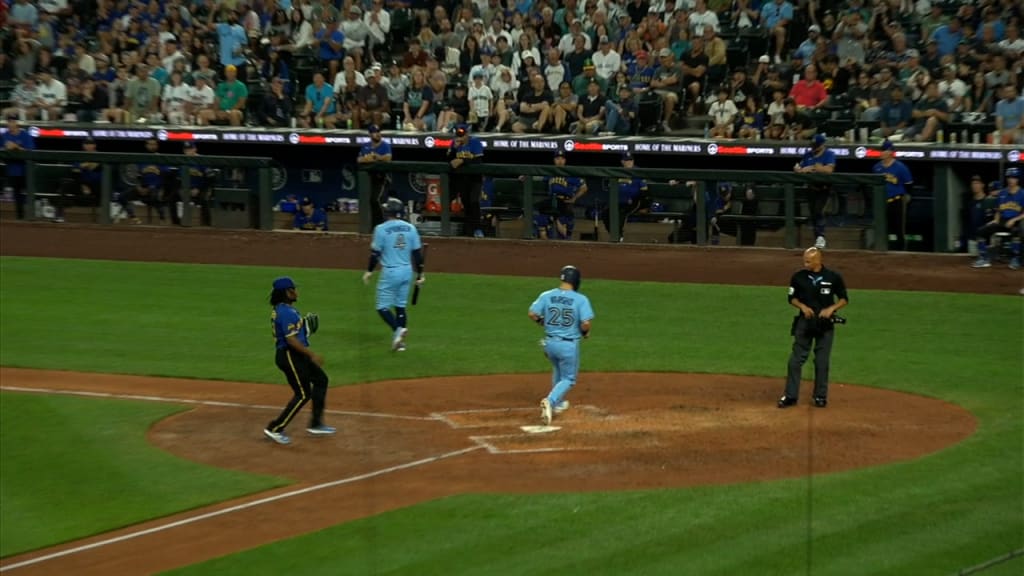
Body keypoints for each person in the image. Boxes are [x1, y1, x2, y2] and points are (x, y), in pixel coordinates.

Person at [264, 276, 335, 445]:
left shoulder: (285, 309)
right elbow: (291, 340)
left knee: (321, 380)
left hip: (296, 354)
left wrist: (305, 329)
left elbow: (295, 334)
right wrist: (312, 354)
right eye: (292, 289)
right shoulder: (286, 312)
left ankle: (316, 424)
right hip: (289, 355)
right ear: (285, 293)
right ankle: (275, 428)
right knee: (303, 394)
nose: (296, 292)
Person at [778, 247, 849, 409]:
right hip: (805, 322)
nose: (805, 263)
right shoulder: (798, 277)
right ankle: (790, 396)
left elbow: (844, 299)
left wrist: (831, 309)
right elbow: (791, 298)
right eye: (804, 260)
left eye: (808, 261)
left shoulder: (833, 277)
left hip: (825, 323)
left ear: (818, 260)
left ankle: (820, 396)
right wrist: (802, 306)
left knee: (822, 361)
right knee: (796, 360)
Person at [528, 265, 595, 425]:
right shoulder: (580, 299)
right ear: (576, 281)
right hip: (568, 346)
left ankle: (558, 403)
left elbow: (532, 313)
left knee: (557, 370)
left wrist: (542, 322)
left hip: (549, 344)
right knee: (569, 378)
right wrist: (585, 333)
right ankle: (550, 402)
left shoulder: (547, 295)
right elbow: (585, 323)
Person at [363, 198, 425, 351]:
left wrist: (369, 271)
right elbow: (417, 254)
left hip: (391, 271)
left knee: (382, 307)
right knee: (400, 306)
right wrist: (421, 274)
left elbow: (375, 254)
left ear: (387, 212)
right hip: (406, 271)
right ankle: (400, 344)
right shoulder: (411, 228)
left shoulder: (381, 229)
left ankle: (398, 329)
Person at [529, 150, 588, 240]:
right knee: (534, 210)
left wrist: (574, 198)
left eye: (562, 158)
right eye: (557, 158)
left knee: (564, 232)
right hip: (551, 201)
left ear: (565, 160)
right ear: (554, 160)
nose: (560, 161)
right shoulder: (550, 173)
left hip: (564, 201)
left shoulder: (570, 173)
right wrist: (526, 177)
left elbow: (584, 187)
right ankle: (542, 234)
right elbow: (537, 177)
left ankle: (555, 224)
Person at [972, 168, 1023, 270]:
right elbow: (999, 211)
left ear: (1017, 179)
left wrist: (1014, 220)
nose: (1010, 180)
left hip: (1016, 221)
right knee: (981, 231)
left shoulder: (1022, 193)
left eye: (1013, 177)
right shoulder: (1002, 193)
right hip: (1002, 220)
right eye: (1009, 177)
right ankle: (983, 258)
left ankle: (1016, 259)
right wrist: (995, 220)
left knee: (1017, 231)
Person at [794, 133, 837, 249]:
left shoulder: (829, 154)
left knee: (819, 211)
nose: (814, 148)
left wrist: (815, 168)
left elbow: (829, 169)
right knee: (813, 214)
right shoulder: (808, 154)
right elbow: (799, 167)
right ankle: (818, 239)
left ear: (822, 145)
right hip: (811, 188)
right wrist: (799, 169)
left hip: (824, 189)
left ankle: (821, 237)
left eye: (816, 145)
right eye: (813, 145)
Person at [871, 140, 914, 251]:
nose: (882, 153)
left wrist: (907, 195)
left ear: (890, 152)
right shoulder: (877, 167)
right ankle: (883, 250)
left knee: (899, 228)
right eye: (882, 150)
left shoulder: (900, 167)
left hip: (897, 201)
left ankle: (901, 250)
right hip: (881, 202)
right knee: (882, 227)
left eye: (884, 150)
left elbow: (909, 183)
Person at [447, 123, 485, 237]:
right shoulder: (454, 144)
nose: (460, 137)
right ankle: (469, 231)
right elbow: (448, 160)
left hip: (474, 178)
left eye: (462, 134)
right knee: (466, 203)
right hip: (461, 179)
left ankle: (478, 229)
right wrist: (454, 150)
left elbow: (478, 161)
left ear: (467, 133)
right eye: (458, 134)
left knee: (474, 202)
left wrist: (463, 161)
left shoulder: (475, 142)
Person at [602, 152, 651, 242]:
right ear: (622, 162)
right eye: (626, 160)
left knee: (621, 213)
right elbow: (610, 187)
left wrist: (644, 205)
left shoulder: (638, 172)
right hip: (618, 201)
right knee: (605, 213)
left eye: (630, 160)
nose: (629, 162)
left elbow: (644, 191)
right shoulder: (617, 172)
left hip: (633, 201)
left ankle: (618, 236)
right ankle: (614, 234)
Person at [55, 137, 102, 223]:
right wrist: (83, 184)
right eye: (87, 144)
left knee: (103, 187)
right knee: (64, 187)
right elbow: (74, 171)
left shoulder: (101, 156)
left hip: (96, 186)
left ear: (95, 145)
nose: (89, 146)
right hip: (81, 184)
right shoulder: (79, 155)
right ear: (83, 145)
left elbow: (100, 174)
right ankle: (59, 216)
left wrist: (85, 166)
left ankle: (103, 219)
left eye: (91, 144)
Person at [356, 124, 393, 227]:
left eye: (378, 132)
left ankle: (381, 225)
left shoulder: (385, 145)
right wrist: (366, 159)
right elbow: (359, 159)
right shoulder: (365, 146)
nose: (377, 134)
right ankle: (373, 225)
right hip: (369, 179)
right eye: (375, 132)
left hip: (382, 178)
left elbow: (388, 158)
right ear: (370, 134)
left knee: (376, 200)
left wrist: (377, 157)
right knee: (369, 201)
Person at [2, 114, 34, 220]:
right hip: (12, 170)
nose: (11, 124)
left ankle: (31, 217)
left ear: (17, 123)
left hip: (26, 170)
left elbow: (31, 152)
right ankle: (20, 219)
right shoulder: (4, 136)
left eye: (13, 121)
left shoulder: (25, 135)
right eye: (9, 121)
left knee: (29, 195)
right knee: (17, 196)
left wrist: (16, 147)